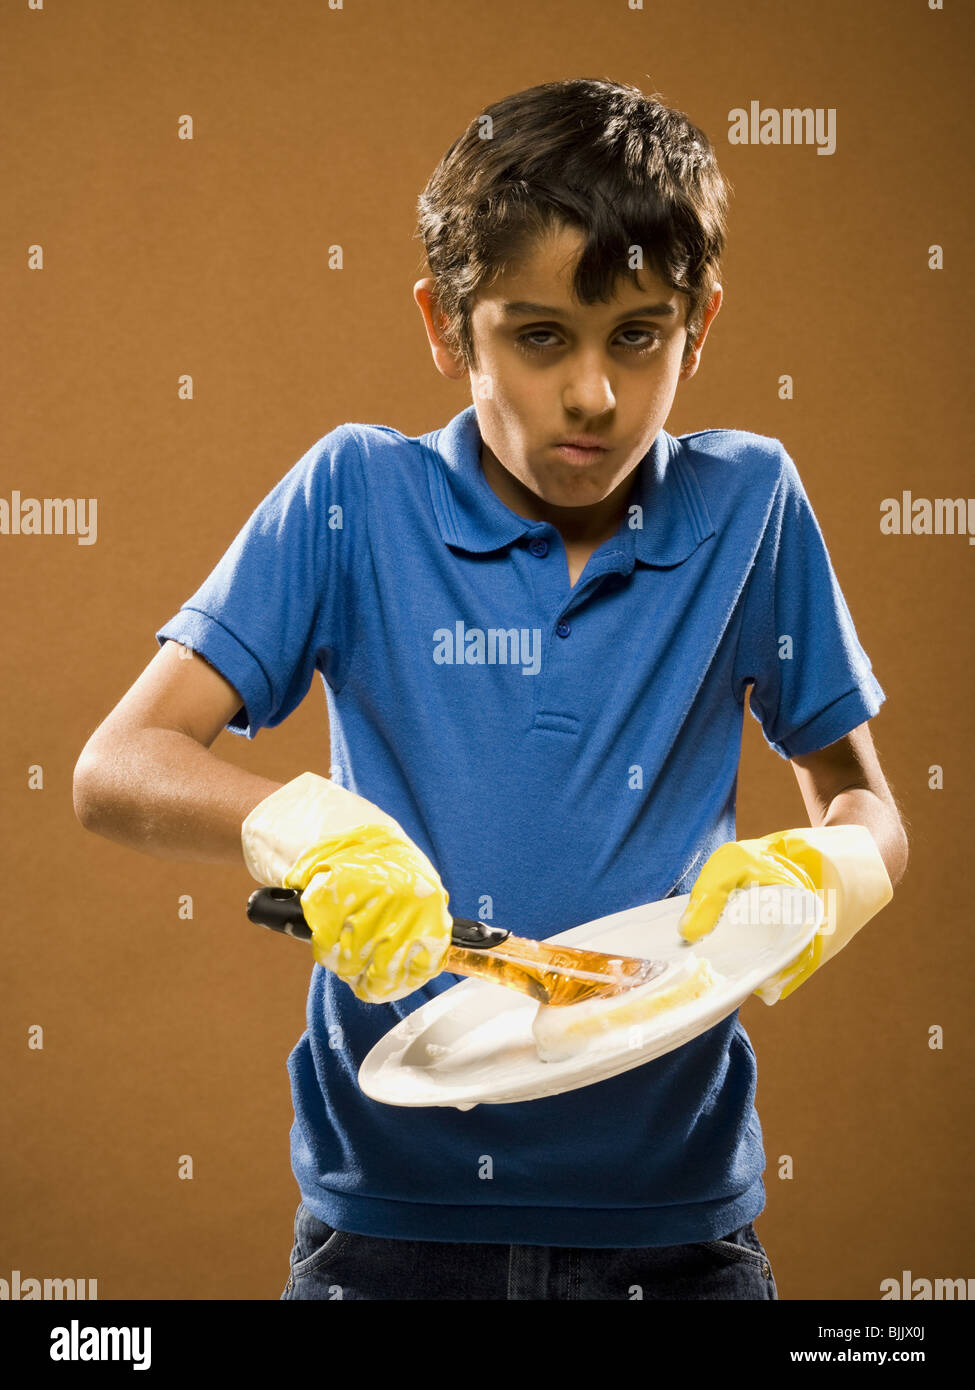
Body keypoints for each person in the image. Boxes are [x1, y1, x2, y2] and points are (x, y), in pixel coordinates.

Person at [73, 78, 908, 1301]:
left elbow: (870, 809)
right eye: (537, 335)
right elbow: (115, 767)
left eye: (638, 335)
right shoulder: (356, 497)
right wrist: (305, 829)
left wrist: (822, 874)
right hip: (389, 1228)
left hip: (676, 1233)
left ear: (701, 324)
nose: (592, 396)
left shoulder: (751, 507)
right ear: (445, 324)